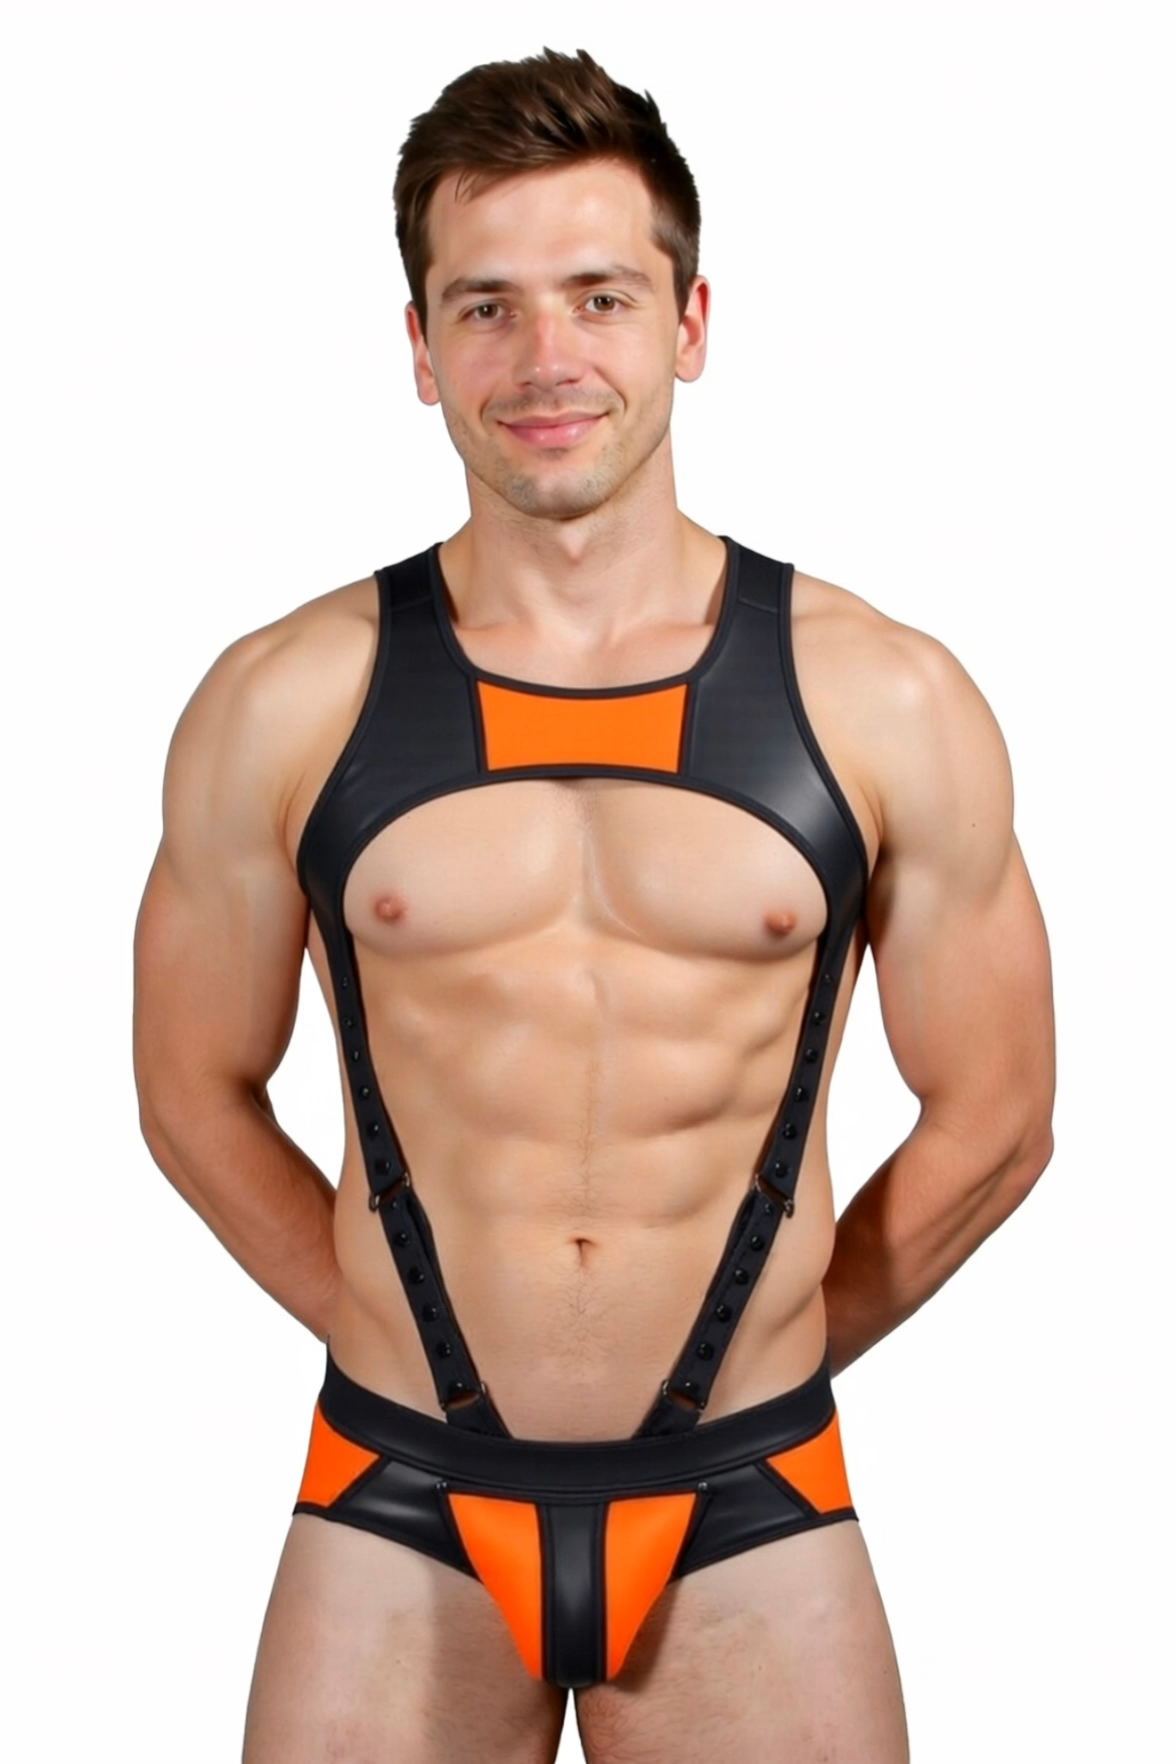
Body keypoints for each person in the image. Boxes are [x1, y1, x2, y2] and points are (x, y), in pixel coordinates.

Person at [133, 46, 1054, 1764]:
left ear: (690, 323)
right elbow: (189, 1089)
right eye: (484, 308)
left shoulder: (883, 698)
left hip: (750, 1499)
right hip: (397, 1494)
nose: (544, 358)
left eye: (599, 297)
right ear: (420, 349)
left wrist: (778, 1347)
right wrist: (383, 1334)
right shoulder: (284, 699)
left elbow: (998, 1120)